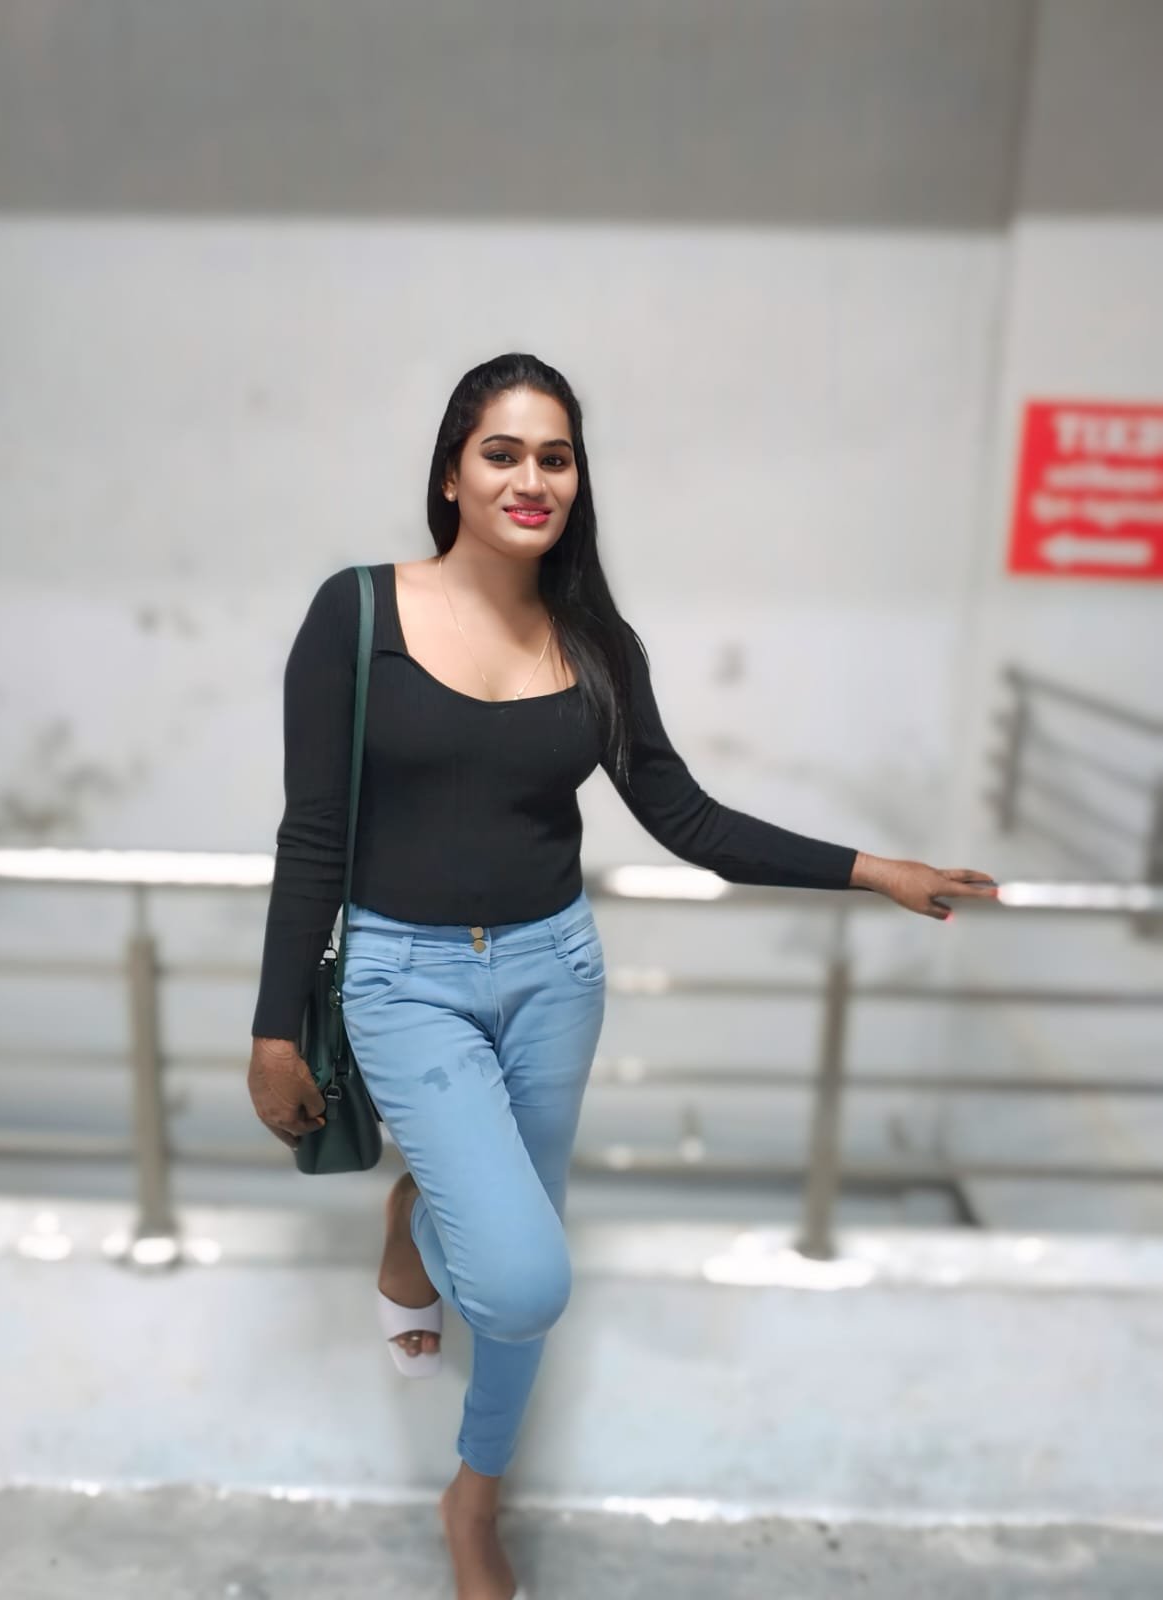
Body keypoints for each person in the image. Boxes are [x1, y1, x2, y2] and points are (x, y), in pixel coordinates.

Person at [246, 351, 999, 1600]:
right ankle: (416, 1219)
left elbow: (686, 818)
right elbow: (312, 833)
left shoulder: (594, 643)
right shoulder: (358, 614)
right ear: (450, 474)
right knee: (523, 1280)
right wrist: (275, 1027)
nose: (531, 478)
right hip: (402, 978)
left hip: (554, 972)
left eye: (555, 457)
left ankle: (474, 1500)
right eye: (502, 452)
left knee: (523, 1269)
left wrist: (873, 868)